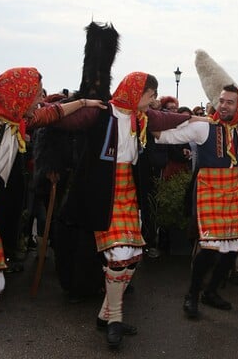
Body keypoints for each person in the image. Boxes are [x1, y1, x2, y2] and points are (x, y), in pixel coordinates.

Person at [0, 67, 105, 358]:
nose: (38, 102)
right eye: (35, 95)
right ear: (18, 94)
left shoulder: (18, 119)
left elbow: (53, 113)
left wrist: (84, 103)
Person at [57, 72, 191, 348]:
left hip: (128, 191)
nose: (154, 101)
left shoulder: (139, 117)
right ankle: (115, 318)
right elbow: (63, 121)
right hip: (102, 192)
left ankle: (105, 314)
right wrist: (80, 103)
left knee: (133, 254)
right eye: (151, 95)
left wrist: (198, 118)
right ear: (136, 92)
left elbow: (168, 118)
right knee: (119, 254)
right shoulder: (102, 113)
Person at [155, 84, 238, 318]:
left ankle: (211, 291)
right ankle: (192, 294)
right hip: (209, 187)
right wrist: (154, 119)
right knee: (209, 248)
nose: (224, 105)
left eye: (230, 102)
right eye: (221, 100)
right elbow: (164, 135)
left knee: (233, 248)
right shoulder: (202, 127)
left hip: (231, 189)